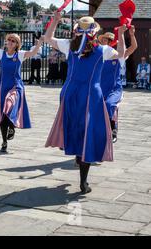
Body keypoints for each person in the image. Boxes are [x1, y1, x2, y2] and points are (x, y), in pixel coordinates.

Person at [44, 11, 124, 194]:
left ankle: (75, 152)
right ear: (95, 32)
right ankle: (83, 181)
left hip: (70, 93)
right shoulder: (102, 50)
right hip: (91, 95)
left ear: (76, 31)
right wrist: (121, 34)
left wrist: (55, 21)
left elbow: (48, 38)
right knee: (90, 133)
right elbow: (121, 53)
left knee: (76, 128)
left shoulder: (68, 46)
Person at [0, 34, 44, 153]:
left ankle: (12, 126)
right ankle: (4, 142)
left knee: (9, 105)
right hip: (2, 87)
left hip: (15, 87)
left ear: (17, 44)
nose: (10, 42)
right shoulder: (0, 53)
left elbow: (32, 53)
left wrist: (40, 42)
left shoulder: (19, 55)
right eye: (9, 40)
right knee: (3, 116)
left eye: (13, 41)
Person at [98, 27, 137, 143]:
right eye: (103, 40)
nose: (105, 42)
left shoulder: (118, 56)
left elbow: (133, 47)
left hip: (114, 89)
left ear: (111, 43)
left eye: (107, 40)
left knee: (109, 105)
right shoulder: (98, 56)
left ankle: (113, 128)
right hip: (100, 89)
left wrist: (132, 35)